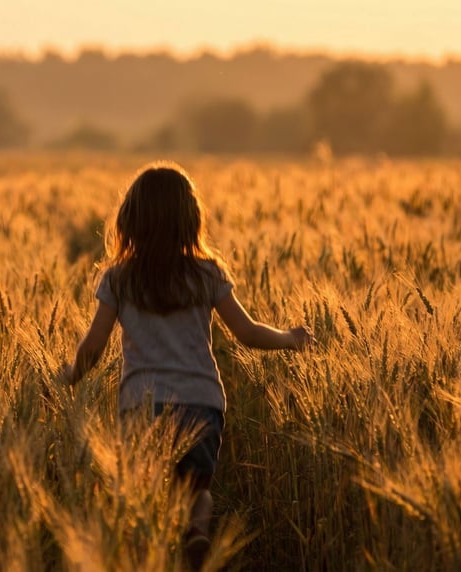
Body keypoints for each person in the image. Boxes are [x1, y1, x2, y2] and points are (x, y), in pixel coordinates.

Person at [68, 162, 312, 571]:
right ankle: (196, 532)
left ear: (130, 220)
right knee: (197, 489)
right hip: (201, 404)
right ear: (192, 219)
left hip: (142, 408)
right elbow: (247, 332)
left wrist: (70, 375)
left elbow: (94, 345)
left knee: (144, 499)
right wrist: (290, 338)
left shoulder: (119, 278)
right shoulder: (207, 273)